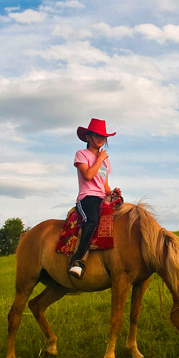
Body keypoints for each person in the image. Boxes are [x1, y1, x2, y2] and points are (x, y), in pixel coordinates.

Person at [68, 118, 114, 278]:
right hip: (87, 197)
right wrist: (100, 159)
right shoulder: (82, 154)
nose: (101, 138)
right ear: (88, 137)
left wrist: (113, 193)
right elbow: (87, 176)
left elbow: (105, 186)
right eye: (96, 134)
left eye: (103, 135)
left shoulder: (106, 162)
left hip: (102, 197)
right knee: (92, 220)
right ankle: (77, 261)